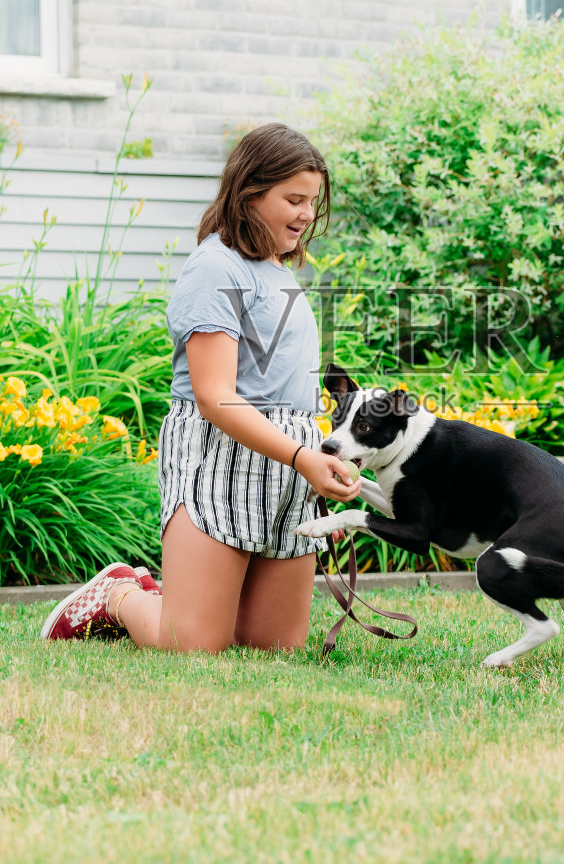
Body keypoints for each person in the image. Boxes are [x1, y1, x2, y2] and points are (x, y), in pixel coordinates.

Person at [40, 123, 362, 651]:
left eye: (313, 202)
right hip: (223, 450)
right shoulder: (215, 267)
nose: (307, 214)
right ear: (250, 192)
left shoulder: (274, 267)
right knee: (193, 642)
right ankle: (118, 594)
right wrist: (303, 456)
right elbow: (215, 397)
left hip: (286, 458)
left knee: (273, 646)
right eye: (294, 199)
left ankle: (195, 596)